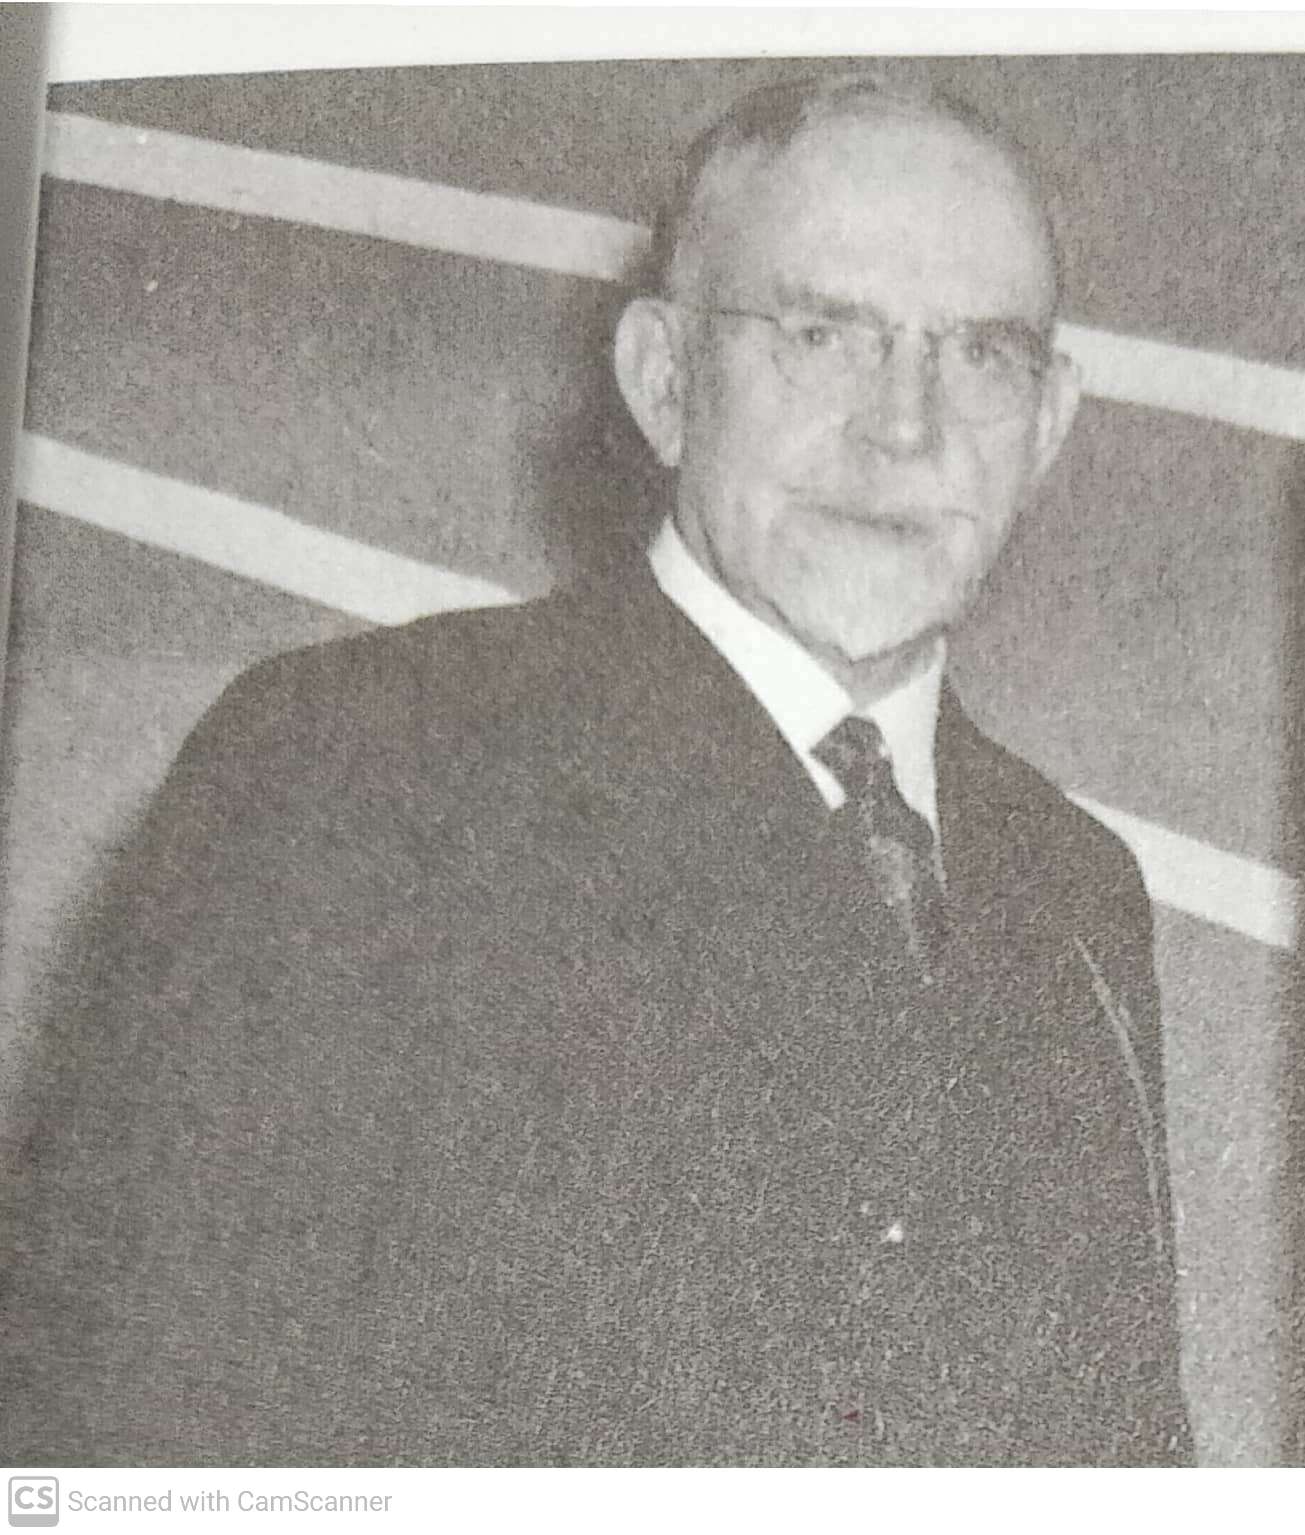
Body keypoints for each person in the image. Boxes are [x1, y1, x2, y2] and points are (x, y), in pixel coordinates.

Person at [0, 74, 1193, 1466]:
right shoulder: (354, 769)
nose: (904, 430)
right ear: (664, 381)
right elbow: (124, 1428)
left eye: (979, 355)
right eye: (822, 336)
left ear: (1048, 425)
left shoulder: (1076, 892)